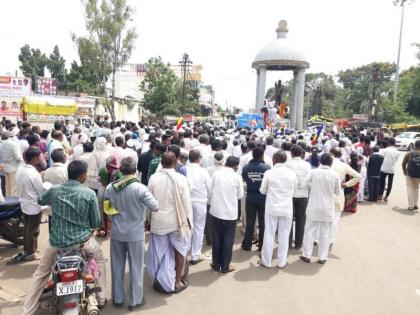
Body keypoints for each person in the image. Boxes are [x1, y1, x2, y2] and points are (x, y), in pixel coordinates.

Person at [22, 160, 107, 315]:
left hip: (56, 243)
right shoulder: (88, 193)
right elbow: (96, 222)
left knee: (40, 274)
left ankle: (27, 311)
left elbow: (40, 200)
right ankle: (101, 299)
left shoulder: (55, 190)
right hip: (83, 242)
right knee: (100, 262)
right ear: (82, 176)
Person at [104, 157, 158, 310]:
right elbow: (155, 207)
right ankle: (135, 299)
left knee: (117, 265)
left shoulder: (111, 187)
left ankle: (118, 298)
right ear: (135, 170)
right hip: (135, 234)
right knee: (136, 267)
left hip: (117, 233)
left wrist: (116, 217)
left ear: (120, 170)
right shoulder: (140, 188)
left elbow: (107, 211)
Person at [147, 152, 192, 293]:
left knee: (159, 252)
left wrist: (148, 220)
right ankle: (177, 281)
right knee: (180, 250)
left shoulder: (154, 178)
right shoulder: (180, 179)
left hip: (159, 221)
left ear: (161, 162)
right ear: (175, 162)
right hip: (177, 222)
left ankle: (160, 280)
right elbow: (186, 203)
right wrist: (189, 221)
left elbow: (149, 202)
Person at [300, 153, 341, 264]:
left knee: (309, 231)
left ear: (320, 161)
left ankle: (306, 255)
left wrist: (313, 186)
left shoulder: (313, 172)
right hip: (327, 208)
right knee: (325, 233)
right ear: (331, 163)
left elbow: (303, 185)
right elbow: (337, 192)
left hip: (313, 206)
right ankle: (322, 257)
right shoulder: (335, 175)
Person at [259, 150, 297, 268]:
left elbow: (262, 190)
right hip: (286, 208)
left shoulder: (269, 173)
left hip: (272, 208)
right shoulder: (292, 174)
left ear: (274, 160)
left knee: (269, 234)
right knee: (284, 235)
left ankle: (266, 261)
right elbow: (294, 191)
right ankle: (282, 262)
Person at [209, 156, 244, 273]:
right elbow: (240, 196)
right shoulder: (237, 177)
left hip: (216, 211)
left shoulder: (217, 174)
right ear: (236, 166)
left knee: (216, 239)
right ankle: (225, 266)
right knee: (228, 240)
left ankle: (215, 264)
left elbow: (211, 190)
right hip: (230, 213)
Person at [16, 147, 44, 261]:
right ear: (34, 158)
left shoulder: (21, 169)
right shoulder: (33, 173)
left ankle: (29, 250)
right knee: (33, 231)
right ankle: (30, 253)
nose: (40, 158)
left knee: (27, 228)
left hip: (25, 202)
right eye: (39, 156)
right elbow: (40, 191)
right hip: (33, 204)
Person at [241, 147, 270, 252]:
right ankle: (262, 245)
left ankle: (247, 244)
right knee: (263, 223)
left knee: (250, 222)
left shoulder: (246, 167)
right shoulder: (267, 168)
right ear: (262, 155)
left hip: (250, 197)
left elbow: (244, 179)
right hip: (263, 198)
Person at [186, 149, 211, 264]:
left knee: (187, 228)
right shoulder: (203, 171)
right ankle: (195, 254)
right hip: (200, 202)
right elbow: (210, 187)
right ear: (199, 159)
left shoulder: (184, 170)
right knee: (199, 228)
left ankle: (185, 253)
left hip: (187, 202)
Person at [286, 145, 311, 250]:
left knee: (289, 219)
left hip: (290, 194)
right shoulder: (307, 165)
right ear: (301, 154)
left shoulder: (287, 164)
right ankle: (298, 243)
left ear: (291, 154)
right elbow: (309, 180)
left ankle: (288, 243)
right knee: (301, 219)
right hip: (303, 195)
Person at [1, 128, 23, 196]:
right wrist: (22, 160)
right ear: (12, 136)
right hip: (13, 168)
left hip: (5, 167)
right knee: (14, 187)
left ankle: (7, 200)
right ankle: (12, 203)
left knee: (7, 186)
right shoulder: (14, 144)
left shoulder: (3, 144)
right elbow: (18, 157)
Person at [379, 137, 399, 202]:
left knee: (382, 182)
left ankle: (380, 195)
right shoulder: (397, 152)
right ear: (394, 143)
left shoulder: (385, 150)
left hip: (383, 168)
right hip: (391, 169)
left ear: (388, 143)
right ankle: (386, 197)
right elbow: (395, 160)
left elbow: (381, 158)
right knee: (390, 183)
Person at [402, 140, 420, 210]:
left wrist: (405, 171)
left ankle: (411, 206)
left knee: (410, 188)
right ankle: (415, 204)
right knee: (416, 188)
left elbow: (403, 164)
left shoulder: (409, 153)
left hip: (409, 174)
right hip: (419, 176)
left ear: (414, 145)